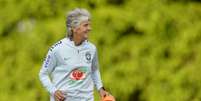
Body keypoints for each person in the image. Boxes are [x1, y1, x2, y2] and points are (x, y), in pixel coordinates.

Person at [39, 8, 109, 101]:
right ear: (75, 28)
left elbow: (94, 69)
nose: (89, 28)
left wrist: (101, 89)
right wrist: (54, 91)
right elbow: (43, 74)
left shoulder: (92, 48)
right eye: (86, 25)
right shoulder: (56, 49)